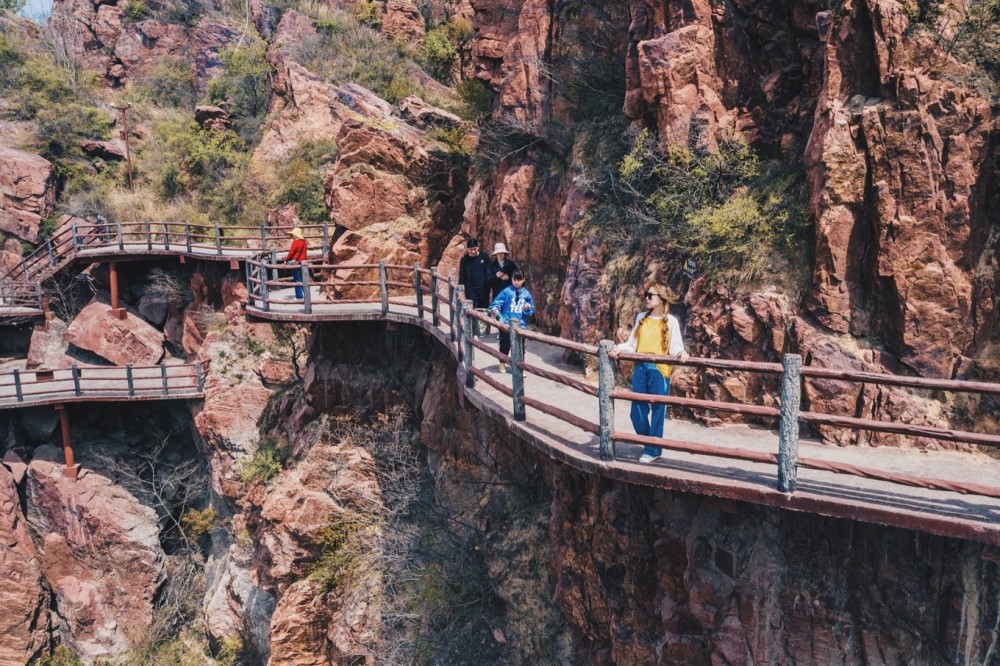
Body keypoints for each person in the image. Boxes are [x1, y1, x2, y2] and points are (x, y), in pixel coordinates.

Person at [611, 283, 688, 463]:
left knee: (658, 410)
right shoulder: (641, 318)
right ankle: (651, 444)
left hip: (660, 369)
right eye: (646, 295)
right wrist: (618, 348)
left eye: (650, 295)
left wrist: (681, 352)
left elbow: (676, 346)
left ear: (661, 299)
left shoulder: (671, 321)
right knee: (637, 412)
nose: (646, 298)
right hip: (640, 367)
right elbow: (632, 344)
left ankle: (653, 450)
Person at [489, 270, 534, 373]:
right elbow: (495, 305)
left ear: (523, 280)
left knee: (520, 348)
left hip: (520, 326)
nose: (516, 282)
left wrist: (527, 308)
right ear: (512, 279)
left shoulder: (526, 294)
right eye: (514, 279)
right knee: (505, 345)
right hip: (506, 324)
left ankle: (519, 368)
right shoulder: (507, 291)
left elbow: (530, 311)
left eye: (519, 279)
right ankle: (502, 363)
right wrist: (499, 317)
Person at [458, 238, 491, 309]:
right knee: (473, 309)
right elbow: (462, 275)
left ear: (478, 247)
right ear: (467, 249)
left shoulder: (484, 256)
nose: (473, 251)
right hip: (471, 290)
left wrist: (489, 285)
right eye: (470, 249)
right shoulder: (464, 260)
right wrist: (461, 289)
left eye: (475, 249)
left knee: (483, 309)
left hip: (483, 289)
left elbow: (489, 271)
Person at [284, 226, 308, 300]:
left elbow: (291, 253)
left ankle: (299, 296)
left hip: (295, 262)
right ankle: (306, 294)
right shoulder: (304, 242)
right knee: (303, 278)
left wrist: (286, 259)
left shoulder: (296, 242)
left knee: (297, 279)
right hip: (303, 262)